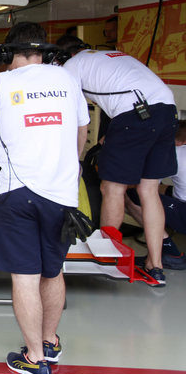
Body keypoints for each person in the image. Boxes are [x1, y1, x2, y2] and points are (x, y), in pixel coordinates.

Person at [0, 22, 89, 374]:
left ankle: (35, 360)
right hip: (62, 193)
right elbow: (82, 127)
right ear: (44, 51)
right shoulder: (66, 79)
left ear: (8, 52)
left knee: (25, 276)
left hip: (17, 193)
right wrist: (74, 165)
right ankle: (49, 342)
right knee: (53, 270)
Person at [57, 35, 178, 286]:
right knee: (149, 190)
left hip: (134, 115)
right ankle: (156, 265)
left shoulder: (72, 66)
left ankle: (108, 257)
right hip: (167, 110)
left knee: (111, 188)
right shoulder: (113, 56)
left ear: (64, 56)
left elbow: (76, 116)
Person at [123, 120, 186, 270]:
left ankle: (170, 251)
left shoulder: (174, 151)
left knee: (134, 196)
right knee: (162, 190)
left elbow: (145, 187)